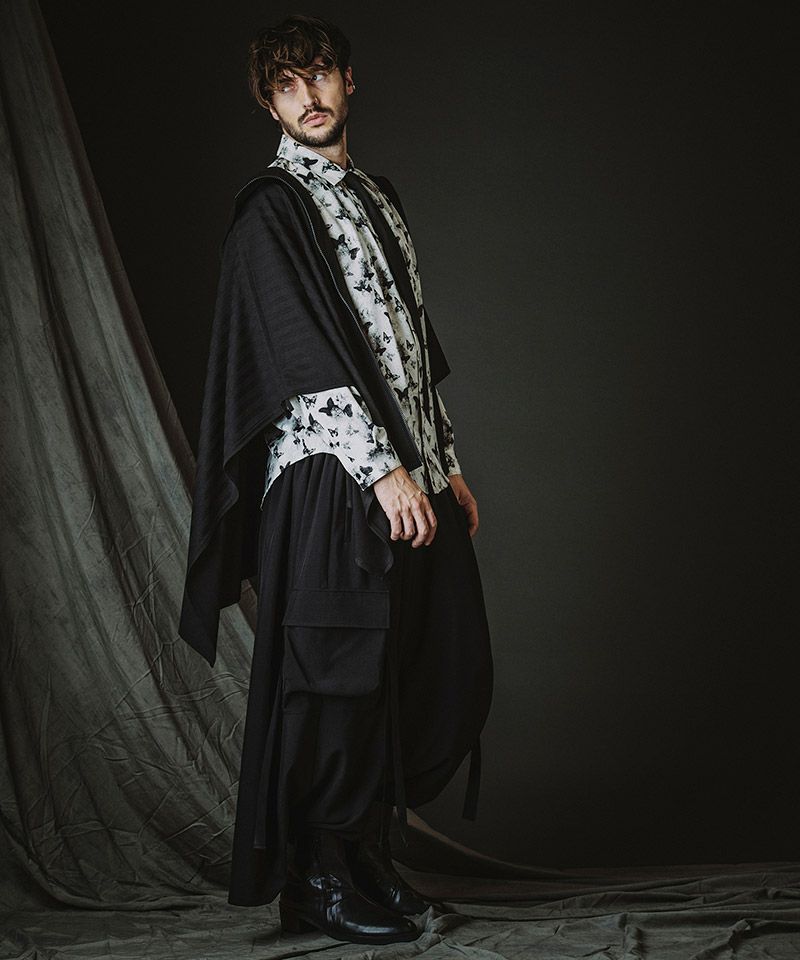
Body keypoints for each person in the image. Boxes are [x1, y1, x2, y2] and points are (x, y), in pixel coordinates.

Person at [178, 13, 494, 946]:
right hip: (325, 477)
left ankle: (364, 860)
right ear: (269, 103)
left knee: (400, 669)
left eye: (319, 75)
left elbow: (405, 344)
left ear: (349, 81)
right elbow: (297, 353)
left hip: (404, 469)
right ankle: (313, 878)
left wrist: (444, 464)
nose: (307, 97)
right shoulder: (271, 209)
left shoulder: (377, 198)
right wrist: (383, 468)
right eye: (286, 85)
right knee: (332, 679)